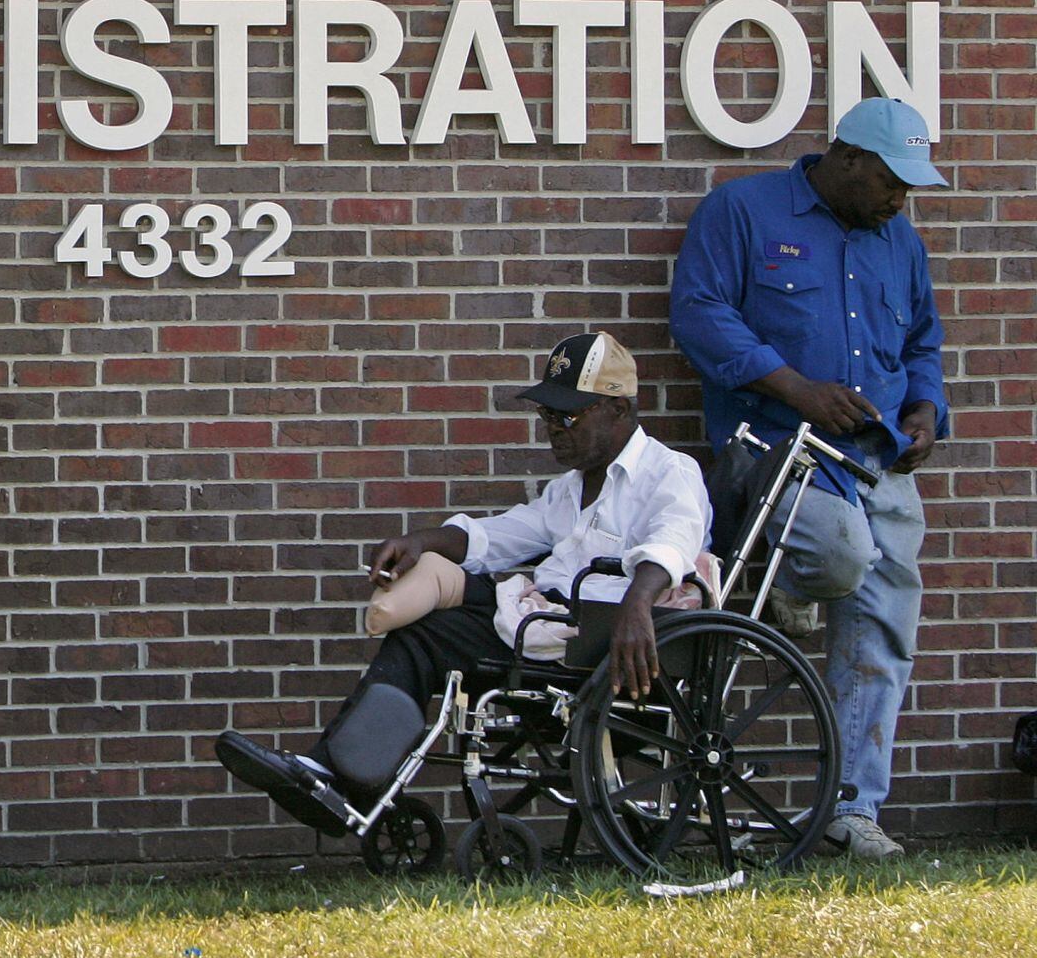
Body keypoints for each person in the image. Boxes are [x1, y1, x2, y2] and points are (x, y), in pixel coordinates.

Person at [213, 333, 709, 835]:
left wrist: (637, 604)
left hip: (599, 645)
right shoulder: (570, 489)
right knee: (422, 626)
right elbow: (502, 535)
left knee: (428, 634)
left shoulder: (670, 473)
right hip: (542, 625)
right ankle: (340, 777)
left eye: (567, 417)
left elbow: (673, 541)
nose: (553, 431)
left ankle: (341, 780)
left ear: (619, 410)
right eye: (546, 417)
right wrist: (421, 540)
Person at [669, 98, 949, 861]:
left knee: (883, 634)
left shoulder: (900, 241)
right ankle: (795, 582)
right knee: (839, 556)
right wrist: (795, 386)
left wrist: (927, 407)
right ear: (849, 158)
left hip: (880, 454)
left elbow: (923, 339)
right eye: (893, 181)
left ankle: (852, 812)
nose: (902, 198)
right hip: (781, 445)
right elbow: (698, 312)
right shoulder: (744, 211)